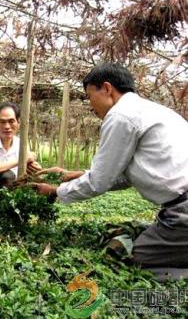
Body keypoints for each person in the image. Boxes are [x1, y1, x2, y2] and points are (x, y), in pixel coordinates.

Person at [36, 63, 188, 281]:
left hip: (183, 214)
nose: (90, 105)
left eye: (89, 96)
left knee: (130, 260)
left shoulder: (120, 116)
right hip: (180, 208)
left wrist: (55, 191)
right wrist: (76, 174)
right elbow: (125, 175)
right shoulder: (153, 111)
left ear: (107, 88)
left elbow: (99, 181)